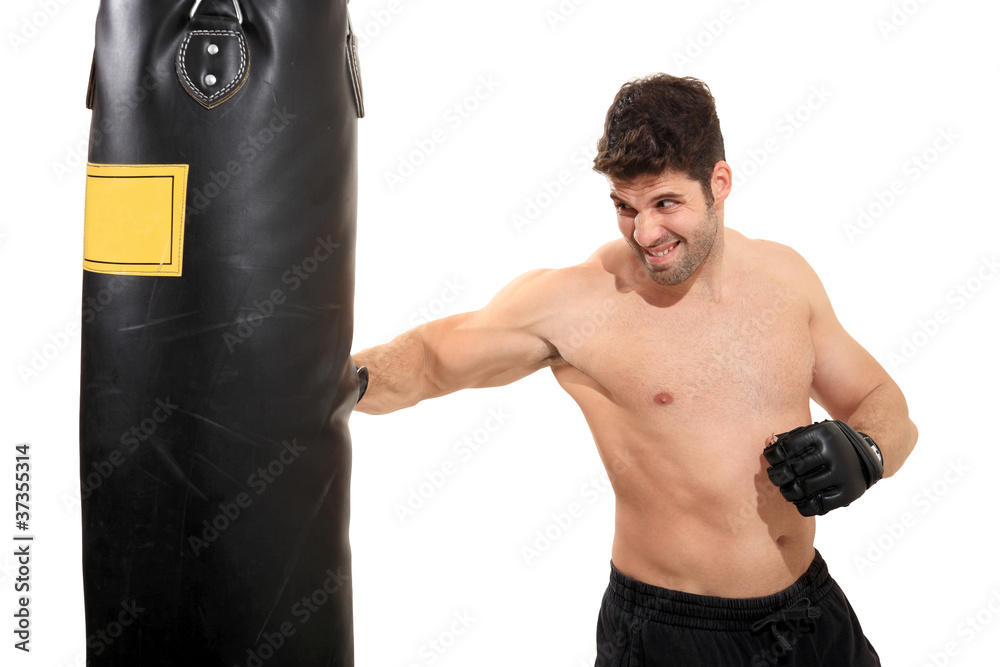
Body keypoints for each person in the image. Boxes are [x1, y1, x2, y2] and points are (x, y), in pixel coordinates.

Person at [351, 73, 918, 666]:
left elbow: (885, 402)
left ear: (718, 183)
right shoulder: (577, 306)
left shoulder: (786, 278)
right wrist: (306, 382)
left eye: (665, 203)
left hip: (812, 613)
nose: (645, 233)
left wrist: (867, 451)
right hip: (674, 634)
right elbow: (432, 359)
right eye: (625, 206)